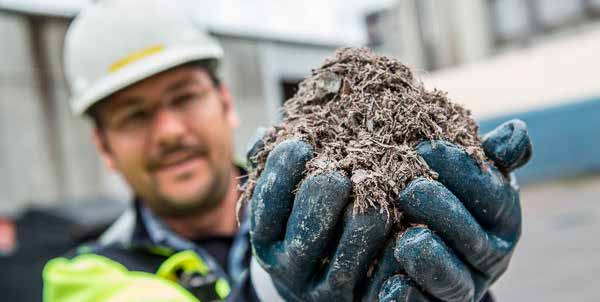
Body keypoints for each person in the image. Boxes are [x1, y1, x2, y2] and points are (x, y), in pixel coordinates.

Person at [43, 0, 533, 301]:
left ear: (225, 102)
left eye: (184, 97)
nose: (169, 130)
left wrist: (459, 290)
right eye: (134, 116)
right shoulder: (86, 279)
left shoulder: (335, 197)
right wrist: (270, 293)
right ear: (104, 147)